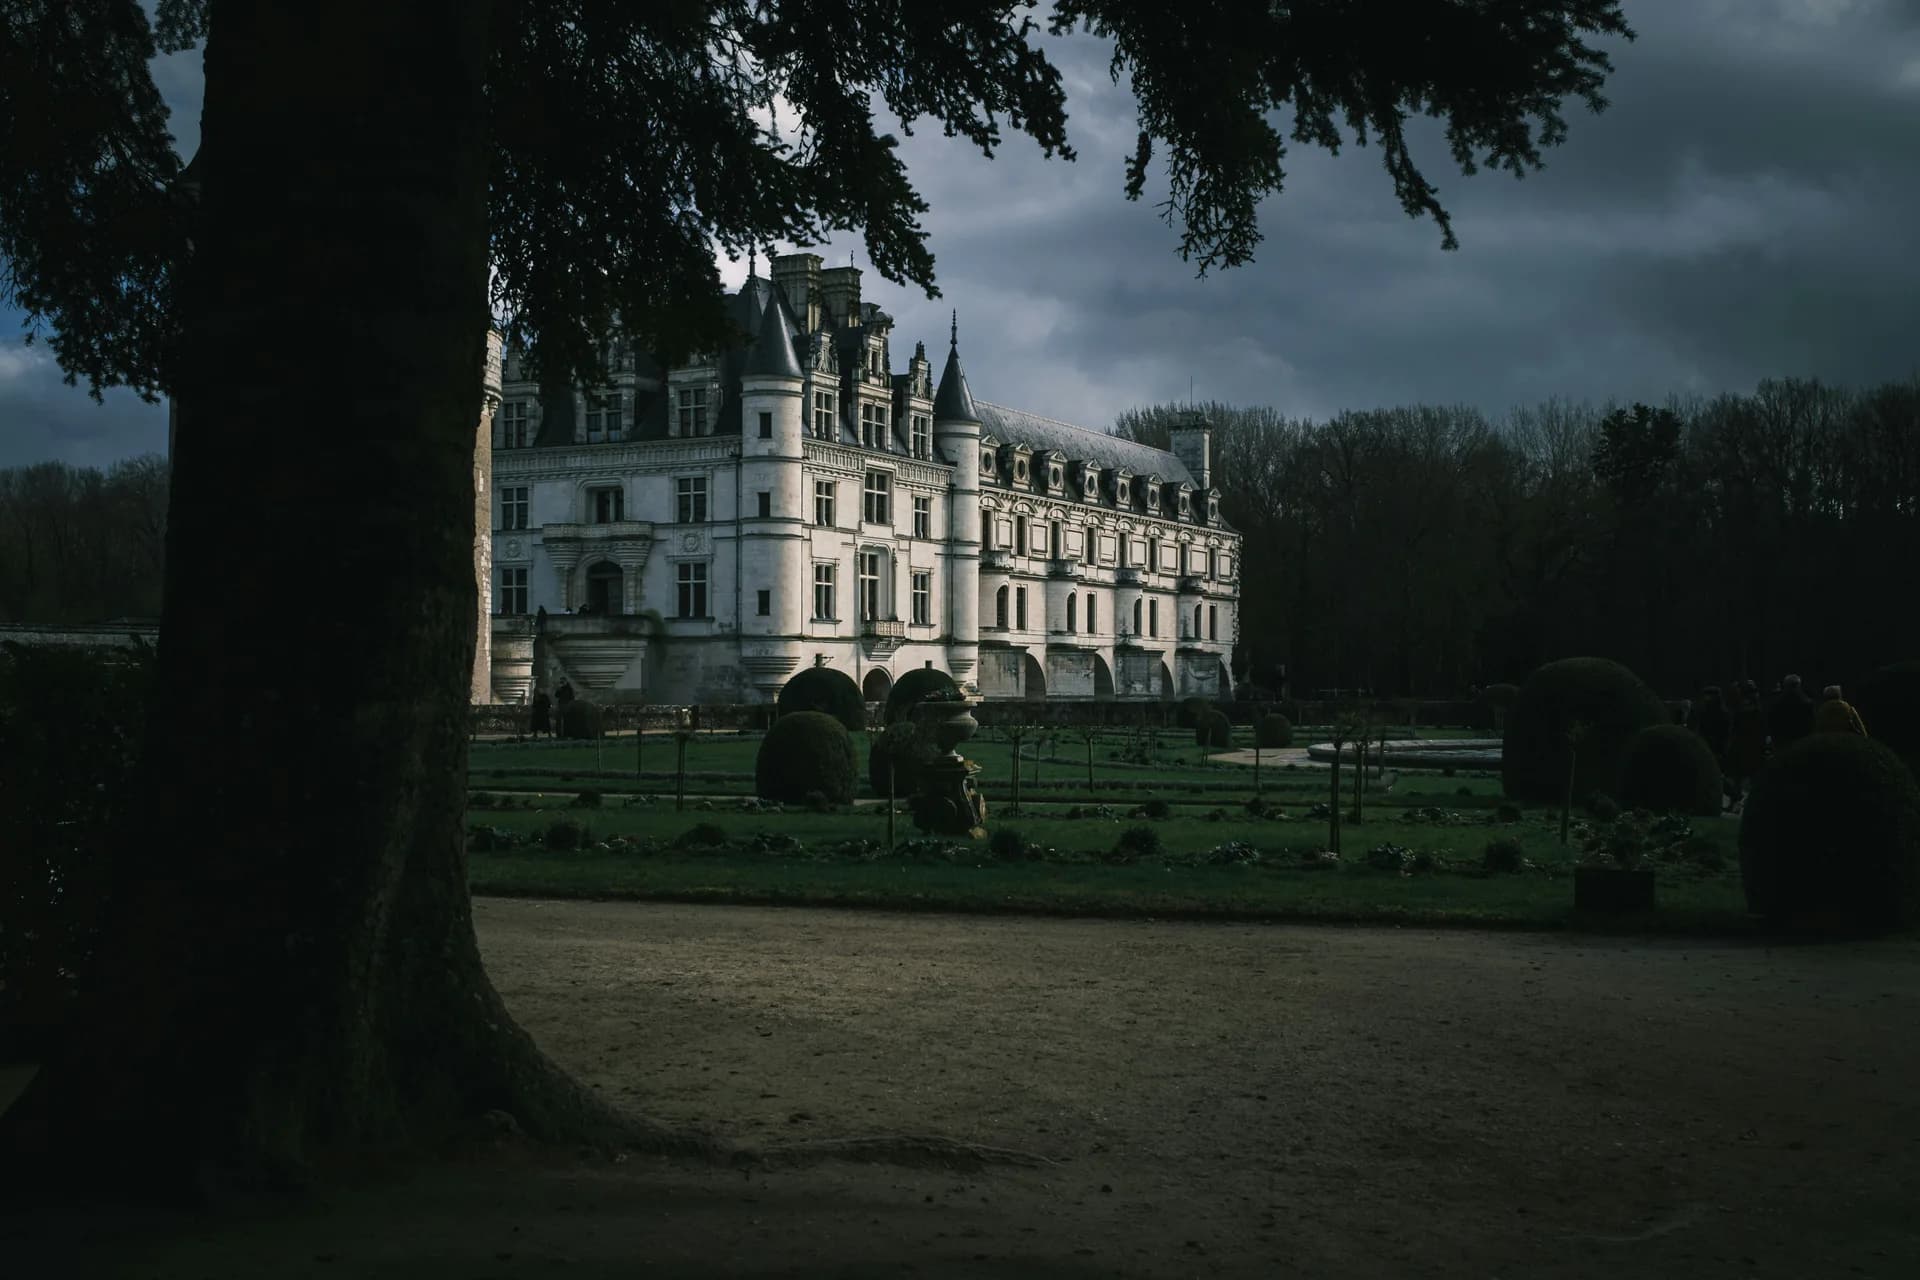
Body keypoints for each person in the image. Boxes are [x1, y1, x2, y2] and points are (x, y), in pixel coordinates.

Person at [1727, 680, 1767, 810]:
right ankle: (1753, 802)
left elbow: (1735, 727)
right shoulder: (1757, 707)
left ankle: (1736, 801)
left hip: (1742, 744)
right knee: (1752, 776)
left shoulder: (1741, 708)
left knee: (1739, 777)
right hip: (1754, 745)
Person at [1767, 673, 1815, 752]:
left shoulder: (1776, 703)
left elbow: (1772, 723)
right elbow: (1811, 724)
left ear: (1785, 685)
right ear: (1799, 685)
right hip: (1802, 742)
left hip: (1783, 742)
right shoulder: (1807, 702)